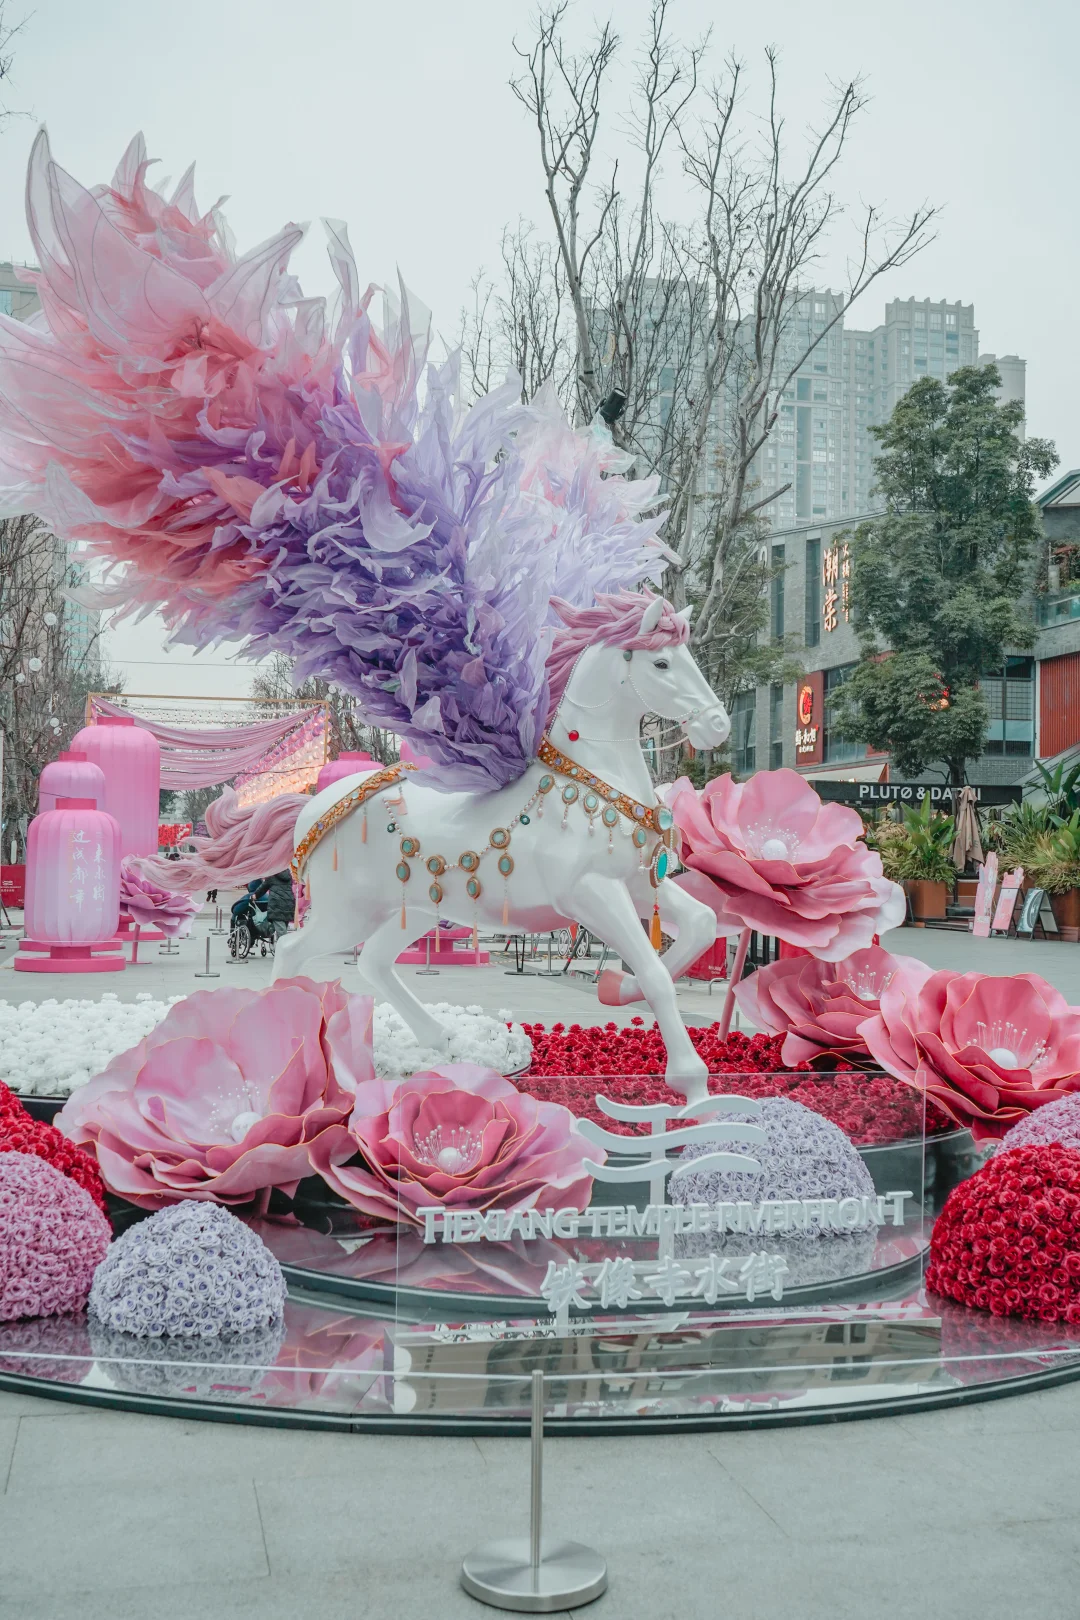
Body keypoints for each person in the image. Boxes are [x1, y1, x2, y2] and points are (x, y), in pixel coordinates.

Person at [253, 871, 295, 941]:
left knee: (282, 933)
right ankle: (280, 946)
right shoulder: (289, 876)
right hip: (288, 904)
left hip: (276, 905)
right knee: (283, 929)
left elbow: (263, 888)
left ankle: (284, 946)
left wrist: (255, 895)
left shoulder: (272, 877)